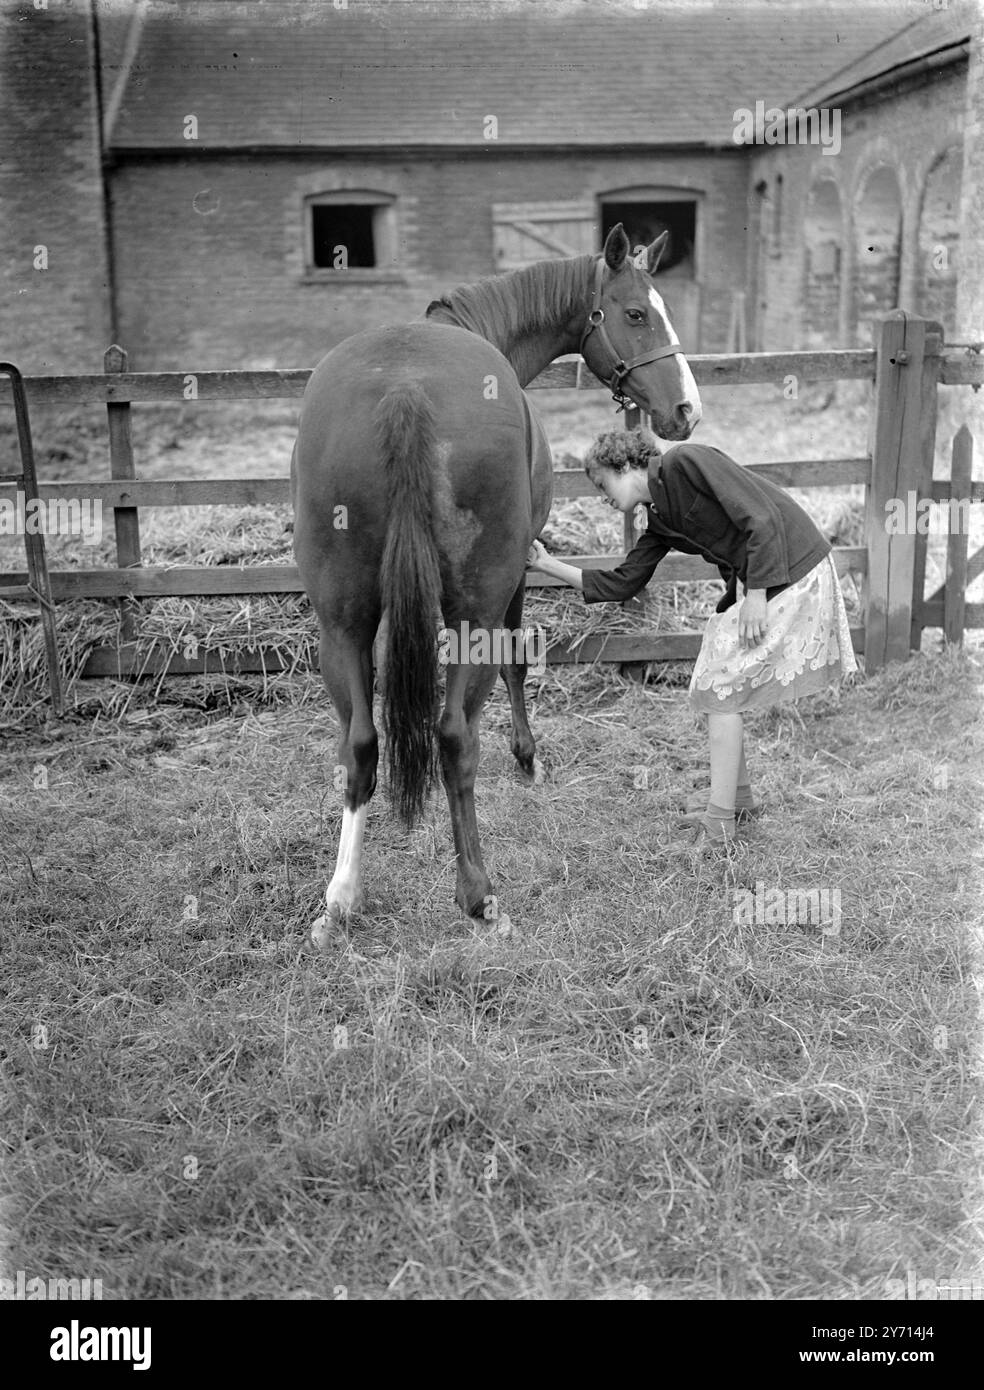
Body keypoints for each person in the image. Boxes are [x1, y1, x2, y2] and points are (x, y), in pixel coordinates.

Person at [526, 428, 858, 845]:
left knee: (720, 685)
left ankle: (721, 822)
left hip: (792, 567)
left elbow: (759, 515)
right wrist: (547, 564)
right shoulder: (660, 520)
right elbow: (622, 582)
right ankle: (737, 800)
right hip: (763, 579)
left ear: (624, 465)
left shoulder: (686, 462)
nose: (602, 498)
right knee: (714, 680)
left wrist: (754, 595)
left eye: (601, 484)